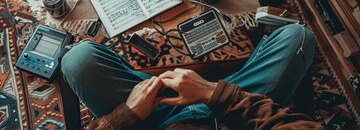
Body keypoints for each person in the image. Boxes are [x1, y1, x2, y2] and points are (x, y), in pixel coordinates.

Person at [61, 24, 325, 129]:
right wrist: (215, 94)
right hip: (233, 122)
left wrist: (127, 114)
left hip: (155, 123)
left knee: (77, 60)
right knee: (298, 37)